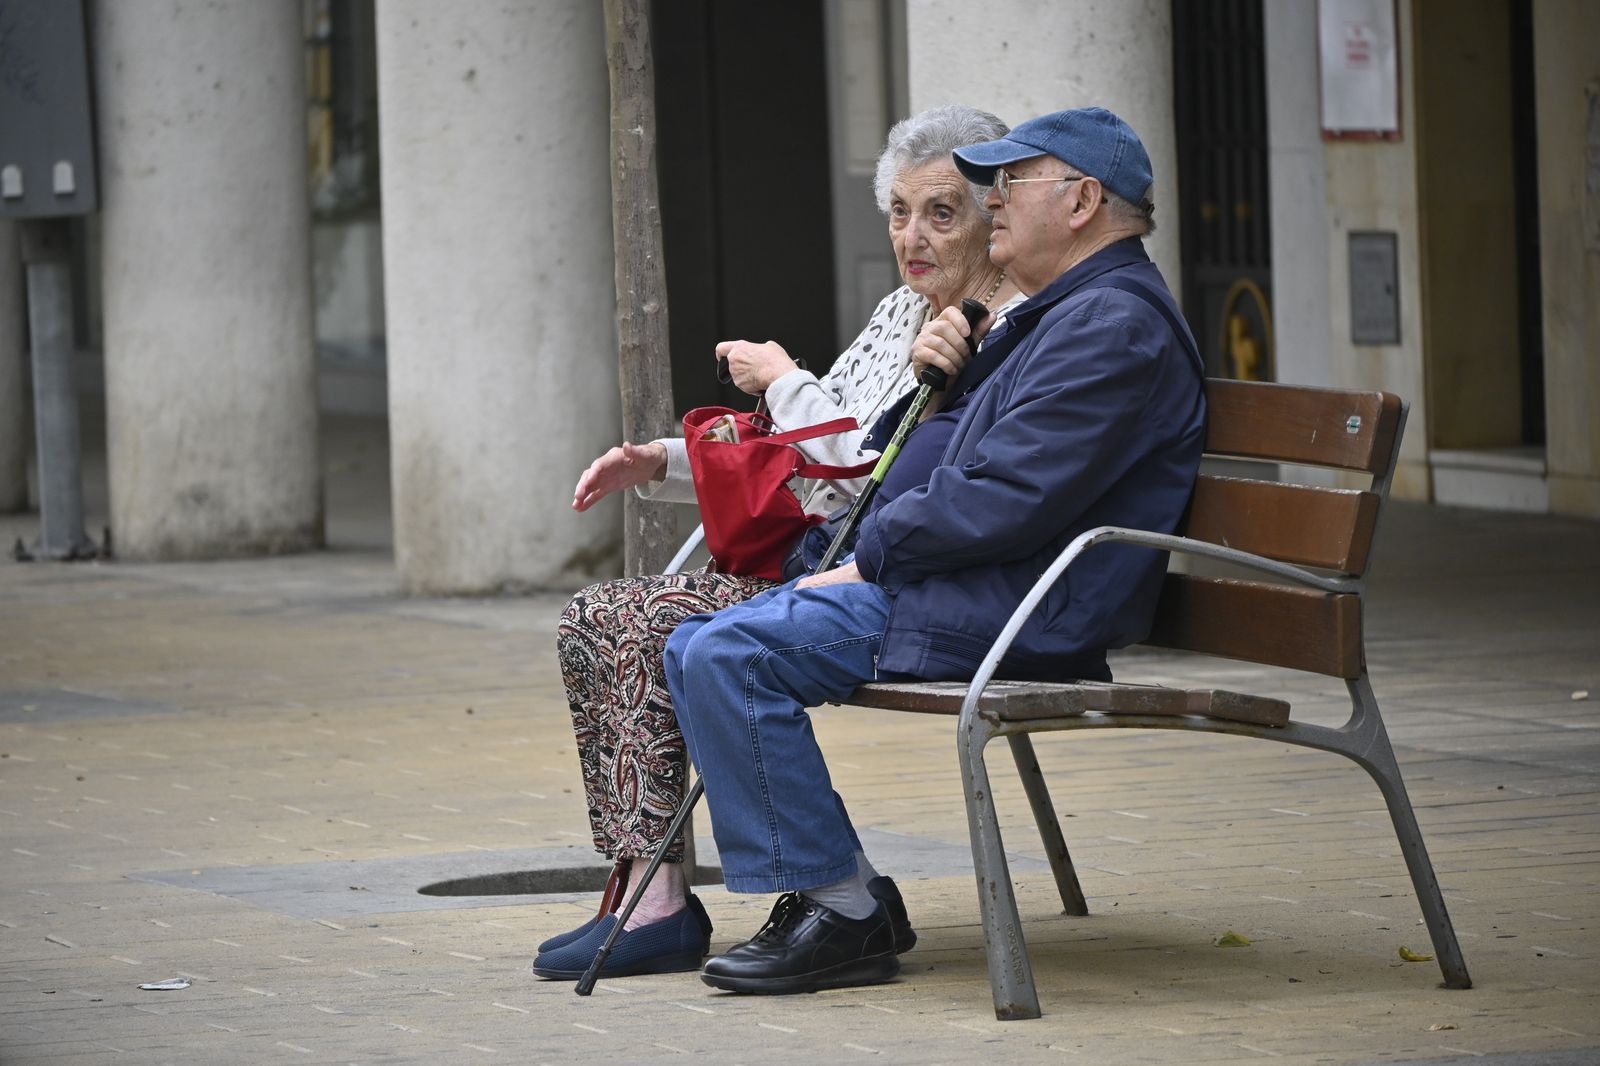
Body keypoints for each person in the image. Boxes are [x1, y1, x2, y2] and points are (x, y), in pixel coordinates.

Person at [664, 107, 1208, 995]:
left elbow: (1003, 498)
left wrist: (870, 556)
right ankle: (836, 899)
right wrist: (947, 378)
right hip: (969, 585)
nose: (995, 203)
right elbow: (937, 463)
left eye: (1012, 182)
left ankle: (842, 911)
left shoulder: (1110, 324)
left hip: (1012, 606)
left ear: (1081, 201)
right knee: (694, 643)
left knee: (729, 653)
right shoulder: (1060, 315)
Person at [533, 104, 1023, 980]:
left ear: (995, 215)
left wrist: (784, 376)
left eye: (941, 214)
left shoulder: (999, 325)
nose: (913, 237)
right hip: (820, 564)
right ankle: (651, 894)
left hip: (856, 576)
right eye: (900, 212)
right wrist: (663, 462)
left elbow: (862, 470)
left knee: (635, 623)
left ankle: (789, 900)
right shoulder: (901, 310)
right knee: (596, 620)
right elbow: (796, 455)